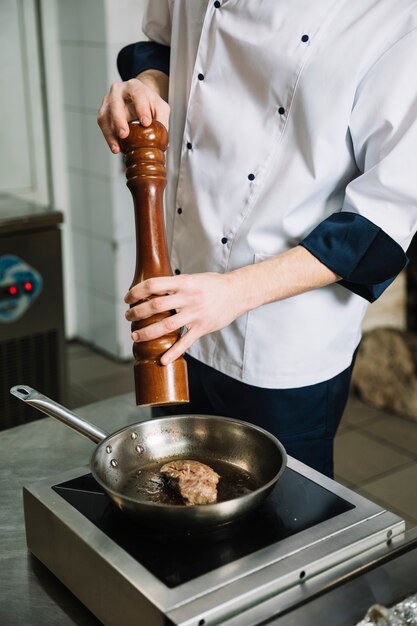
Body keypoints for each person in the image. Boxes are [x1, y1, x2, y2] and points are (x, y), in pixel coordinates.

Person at [98, 0, 417, 478]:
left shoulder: (393, 15)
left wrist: (233, 292)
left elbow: (384, 221)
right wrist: (144, 88)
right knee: (175, 498)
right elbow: (161, 48)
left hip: (281, 335)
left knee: (283, 528)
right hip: (179, 296)